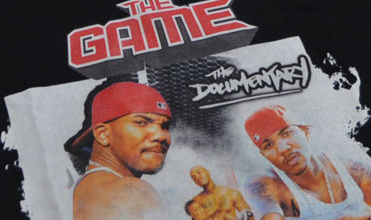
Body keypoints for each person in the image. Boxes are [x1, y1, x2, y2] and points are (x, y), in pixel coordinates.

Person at [244, 105, 371, 220]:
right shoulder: (264, 185)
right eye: (268, 145)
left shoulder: (351, 169)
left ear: (305, 131)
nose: (283, 148)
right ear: (263, 155)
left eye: (287, 133)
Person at [70, 81, 172, 220]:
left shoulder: (82, 189)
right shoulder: (133, 191)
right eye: (141, 122)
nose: (160, 136)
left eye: (165, 126)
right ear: (103, 134)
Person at [185, 165, 255, 220]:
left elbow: (249, 216)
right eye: (194, 177)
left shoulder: (231, 193)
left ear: (208, 172)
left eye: (199, 172)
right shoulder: (196, 202)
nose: (197, 177)